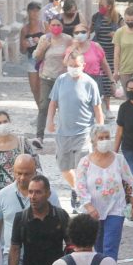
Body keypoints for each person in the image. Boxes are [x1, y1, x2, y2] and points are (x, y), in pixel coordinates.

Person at [46, 51, 103, 211]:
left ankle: (82, 197)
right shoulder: (61, 81)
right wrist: (50, 121)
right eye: (71, 66)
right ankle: (77, 189)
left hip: (84, 133)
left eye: (77, 66)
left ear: (83, 66)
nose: (73, 68)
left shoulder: (90, 83)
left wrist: (99, 132)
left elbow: (98, 109)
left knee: (82, 168)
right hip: (63, 133)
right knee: (64, 167)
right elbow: (53, 103)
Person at [76, 125, 133, 261]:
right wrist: (88, 206)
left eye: (107, 137)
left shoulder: (118, 159)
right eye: (101, 138)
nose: (104, 140)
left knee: (110, 248)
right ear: (93, 141)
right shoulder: (85, 163)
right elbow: (80, 187)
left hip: (116, 209)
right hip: (94, 212)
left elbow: (131, 181)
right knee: (98, 249)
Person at [0, 111, 37, 209]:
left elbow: (36, 166)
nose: (3, 125)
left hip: (23, 191)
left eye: (5, 121)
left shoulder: (22, 142)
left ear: (9, 122)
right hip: (1, 195)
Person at [34, 17, 73, 144]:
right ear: (49, 26)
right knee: (43, 106)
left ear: (62, 26)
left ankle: (64, 135)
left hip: (62, 79)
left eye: (58, 25)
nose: (55, 27)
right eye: (53, 25)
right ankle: (39, 136)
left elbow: (73, 54)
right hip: (46, 77)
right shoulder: (44, 39)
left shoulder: (68, 39)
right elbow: (37, 57)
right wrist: (43, 48)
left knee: (63, 107)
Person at [68, 25, 115, 118]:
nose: (80, 34)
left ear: (88, 33)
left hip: (94, 80)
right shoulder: (72, 48)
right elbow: (65, 63)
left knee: (94, 109)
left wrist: (112, 80)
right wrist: (73, 48)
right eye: (77, 32)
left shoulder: (95, 46)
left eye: (83, 32)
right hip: (77, 81)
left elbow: (104, 64)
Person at [89, 0, 123, 117]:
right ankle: (98, 105)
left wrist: (116, 33)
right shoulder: (96, 17)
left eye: (102, 5)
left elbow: (124, 31)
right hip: (97, 51)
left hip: (111, 52)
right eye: (99, 5)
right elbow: (90, 30)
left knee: (109, 81)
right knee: (99, 78)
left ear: (109, 6)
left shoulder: (117, 17)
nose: (100, 8)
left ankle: (107, 107)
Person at [20, 1, 45, 104]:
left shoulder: (44, 26)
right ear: (28, 12)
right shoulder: (25, 29)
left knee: (42, 87)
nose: (35, 13)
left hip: (44, 59)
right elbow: (21, 51)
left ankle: (44, 112)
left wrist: (40, 42)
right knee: (34, 88)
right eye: (32, 11)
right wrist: (25, 45)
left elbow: (52, 42)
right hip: (31, 59)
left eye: (37, 10)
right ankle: (41, 111)